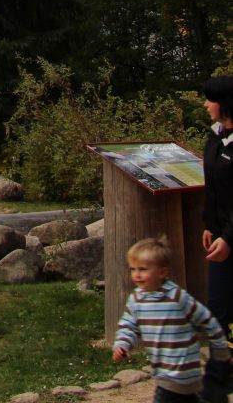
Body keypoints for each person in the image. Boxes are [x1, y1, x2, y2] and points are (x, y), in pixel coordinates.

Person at [112, 237, 229, 402]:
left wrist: (219, 347)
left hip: (183, 370)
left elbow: (206, 319)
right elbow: (129, 326)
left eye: (143, 269)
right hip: (164, 371)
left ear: (162, 272)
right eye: (133, 269)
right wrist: (122, 344)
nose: (136, 274)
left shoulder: (177, 297)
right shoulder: (136, 300)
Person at [201, 75, 233, 401]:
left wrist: (230, 238)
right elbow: (212, 186)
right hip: (220, 237)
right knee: (218, 309)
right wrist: (209, 225)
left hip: (231, 238)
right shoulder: (215, 136)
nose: (205, 105)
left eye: (210, 99)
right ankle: (218, 382)